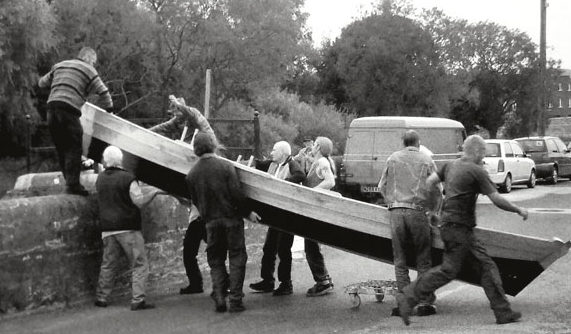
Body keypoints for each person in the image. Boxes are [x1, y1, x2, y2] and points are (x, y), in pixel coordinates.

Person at [395, 135, 529, 326]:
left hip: (449, 226)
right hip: (460, 229)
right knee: (463, 269)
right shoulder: (476, 171)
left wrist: (435, 208)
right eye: (483, 152)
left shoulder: (451, 165)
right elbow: (496, 199)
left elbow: (430, 182)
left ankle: (503, 312)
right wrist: (518, 209)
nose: (483, 157)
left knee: (478, 268)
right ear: (475, 151)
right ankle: (408, 297)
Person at [185, 132, 260, 313]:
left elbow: (194, 201)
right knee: (236, 258)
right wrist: (248, 212)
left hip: (210, 222)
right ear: (213, 144)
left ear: (196, 148)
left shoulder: (191, 175)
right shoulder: (226, 167)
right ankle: (235, 300)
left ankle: (219, 297)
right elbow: (236, 194)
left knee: (216, 260)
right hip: (231, 220)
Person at [379, 130, 442, 317]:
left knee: (400, 260)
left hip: (396, 211)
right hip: (418, 211)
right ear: (418, 143)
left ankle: (404, 303)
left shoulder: (392, 158)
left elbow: (381, 185)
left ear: (403, 143)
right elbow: (438, 189)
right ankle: (424, 302)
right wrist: (434, 212)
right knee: (423, 258)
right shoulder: (426, 160)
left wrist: (390, 202)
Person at [38, 46, 113, 196]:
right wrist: (109, 110)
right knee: (74, 147)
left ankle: (69, 183)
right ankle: (73, 186)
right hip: (69, 110)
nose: (94, 64)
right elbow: (103, 92)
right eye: (94, 61)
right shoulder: (89, 70)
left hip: (51, 109)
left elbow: (41, 83)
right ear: (89, 58)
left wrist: (59, 85)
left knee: (62, 148)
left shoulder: (60, 65)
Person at [94, 146, 160, 311]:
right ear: (120, 160)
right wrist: (155, 193)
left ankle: (101, 297)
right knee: (139, 263)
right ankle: (137, 299)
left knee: (108, 263)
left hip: (107, 229)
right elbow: (139, 202)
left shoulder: (100, 179)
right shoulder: (128, 178)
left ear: (105, 160)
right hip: (128, 228)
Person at [249, 141, 306, 296]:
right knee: (269, 248)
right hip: (276, 215)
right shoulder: (275, 164)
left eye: (274, 150)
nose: (272, 153)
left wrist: (282, 185)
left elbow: (300, 175)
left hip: (288, 215)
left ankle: (286, 284)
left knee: (283, 249)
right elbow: (259, 164)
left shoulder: (292, 164)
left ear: (283, 153)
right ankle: (267, 281)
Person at [303, 136, 336, 297]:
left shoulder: (322, 162)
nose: (312, 146)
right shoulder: (319, 161)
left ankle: (323, 282)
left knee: (311, 246)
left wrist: (312, 192)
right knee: (311, 246)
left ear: (319, 148)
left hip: (316, 210)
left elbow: (330, 182)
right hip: (315, 209)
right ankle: (324, 279)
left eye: (315, 144)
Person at [179, 203, 207, 295]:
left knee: (188, 254)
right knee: (217, 253)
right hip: (204, 219)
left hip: (198, 220)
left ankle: (196, 284)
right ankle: (225, 284)